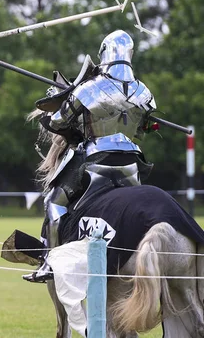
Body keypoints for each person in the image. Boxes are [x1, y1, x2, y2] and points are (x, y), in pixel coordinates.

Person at [23, 30, 157, 283]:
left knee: (53, 202)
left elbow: (59, 121)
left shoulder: (88, 89)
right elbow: (142, 130)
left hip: (96, 159)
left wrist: (58, 100)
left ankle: (50, 264)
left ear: (104, 54)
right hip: (133, 164)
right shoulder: (144, 93)